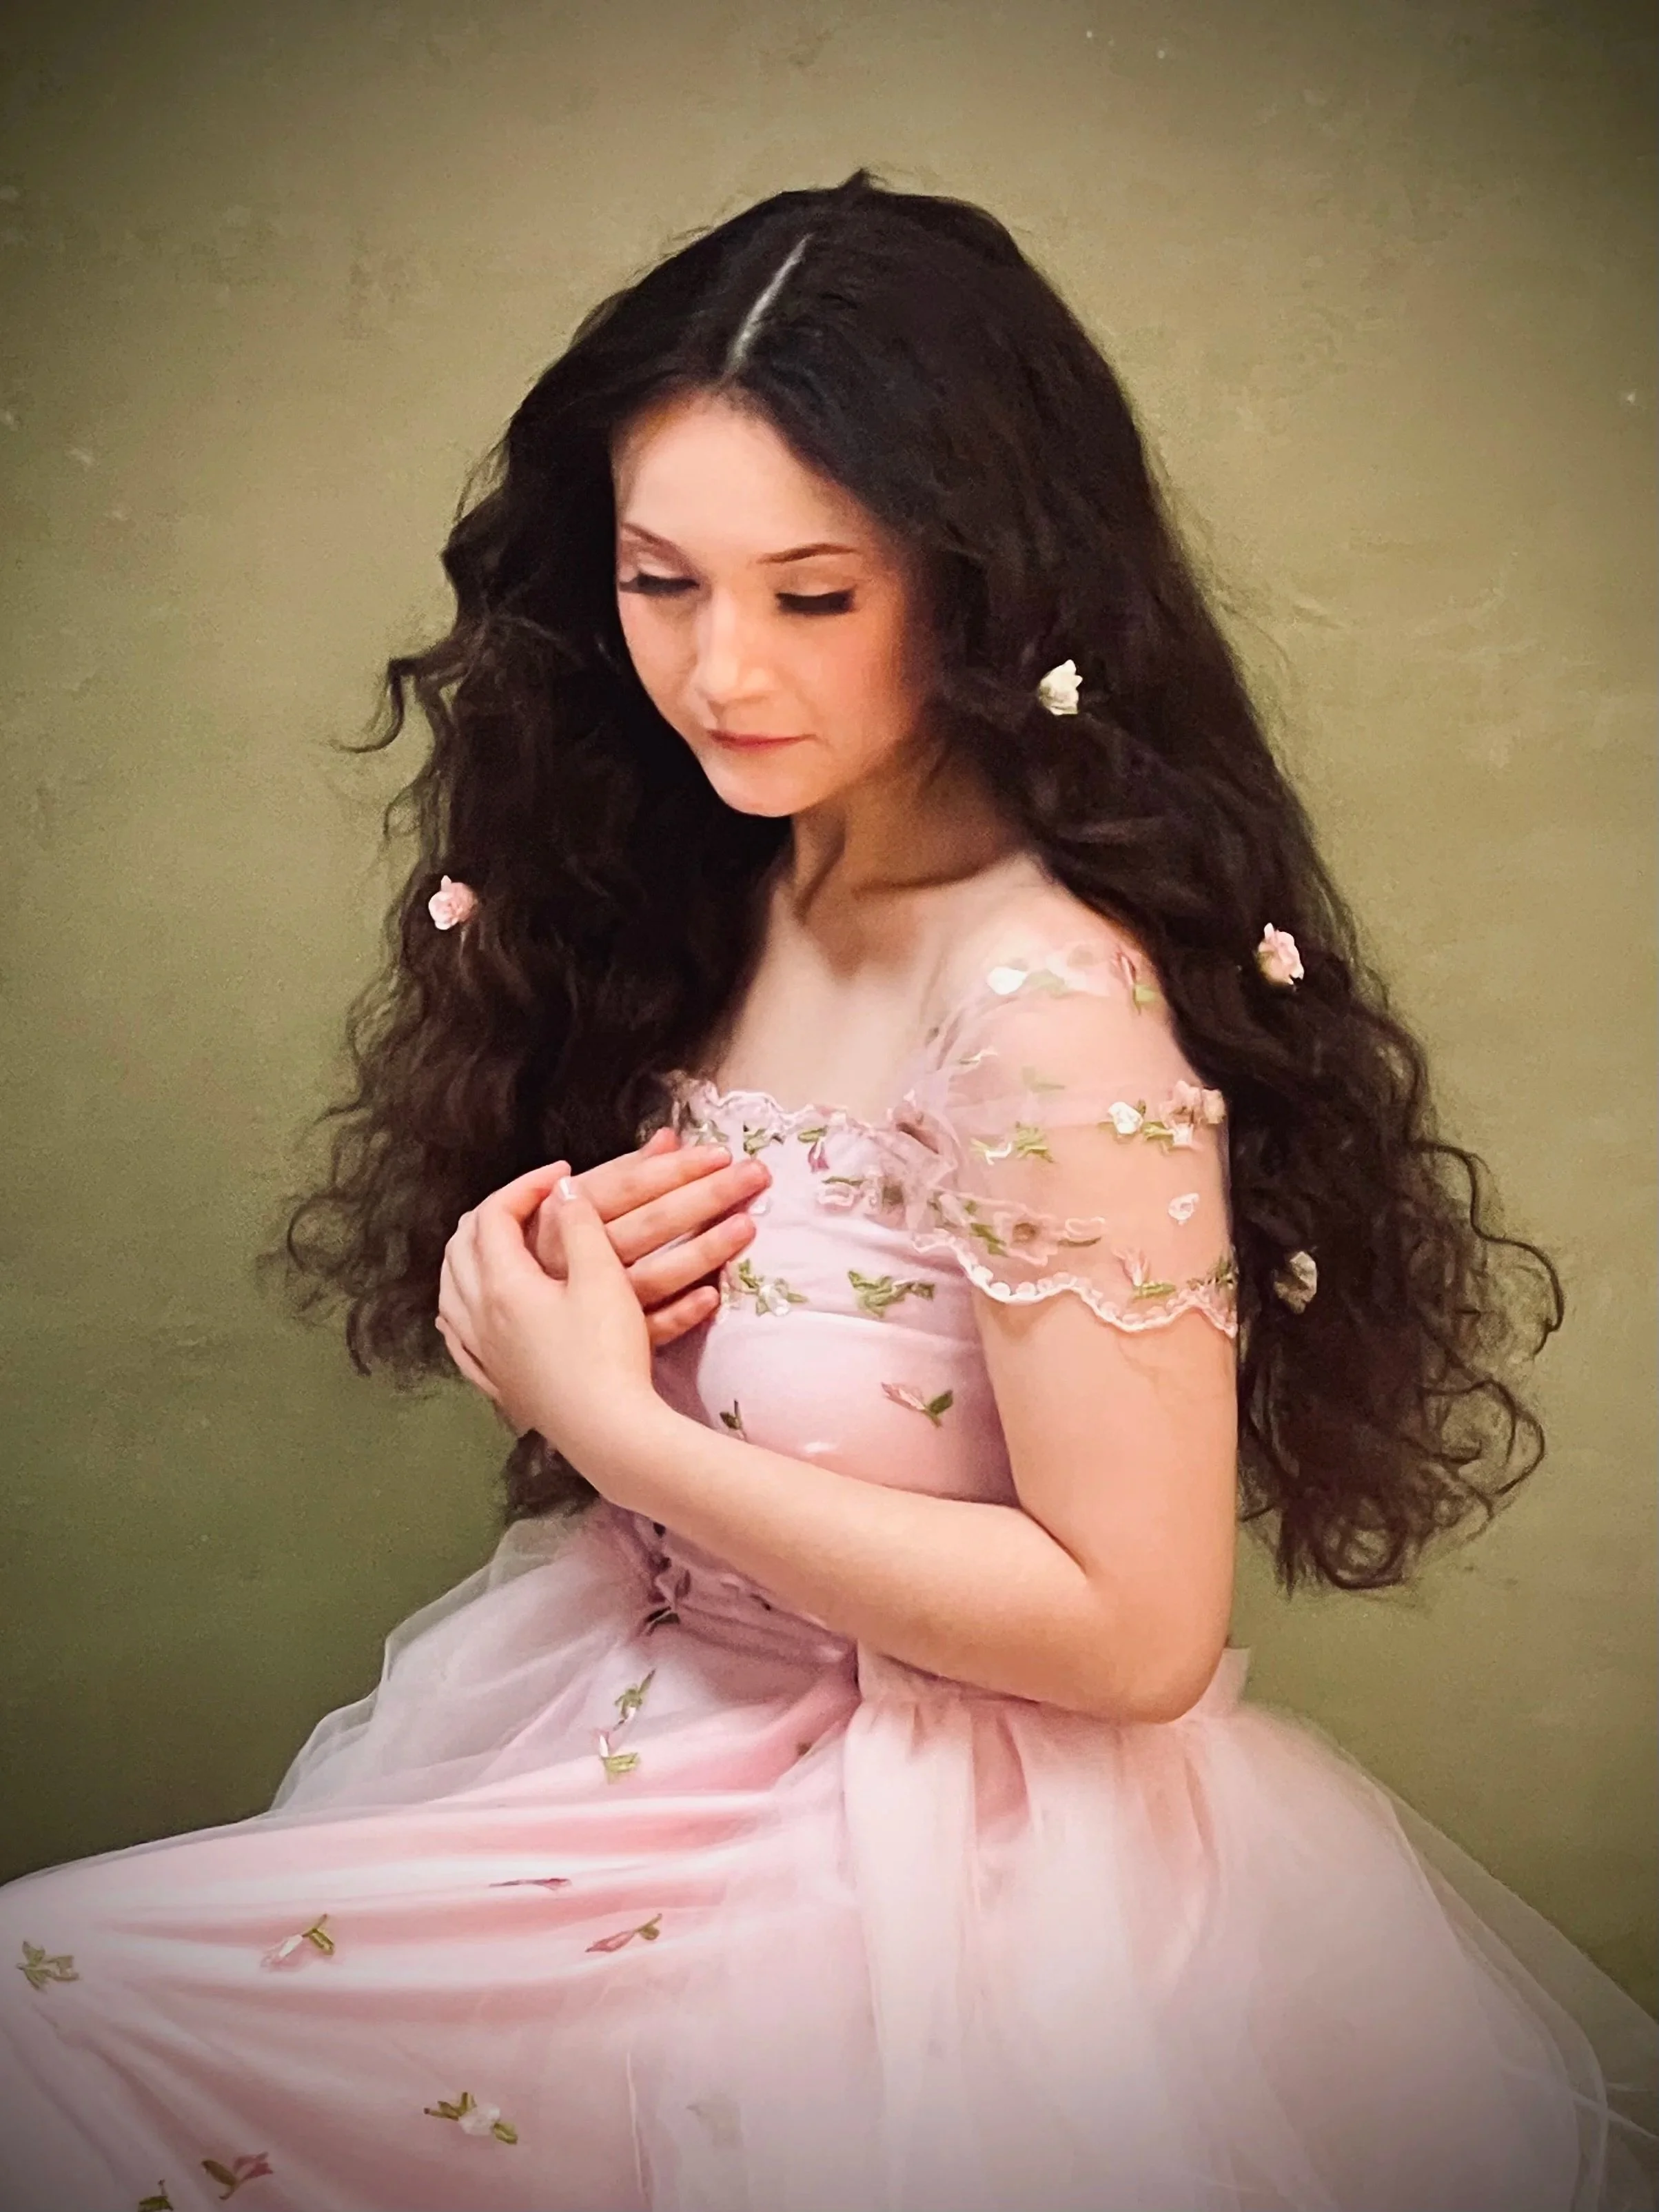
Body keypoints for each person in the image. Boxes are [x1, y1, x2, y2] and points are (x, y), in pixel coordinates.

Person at [1, 168, 1653, 2212]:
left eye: (812, 593)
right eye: (656, 581)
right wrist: (510, 1276)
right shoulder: (734, 872)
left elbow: (1135, 1633)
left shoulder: (1042, 1007)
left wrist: (606, 1423)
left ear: (980, 586)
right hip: (616, 1741)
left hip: (904, 1865)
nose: (718, 672)